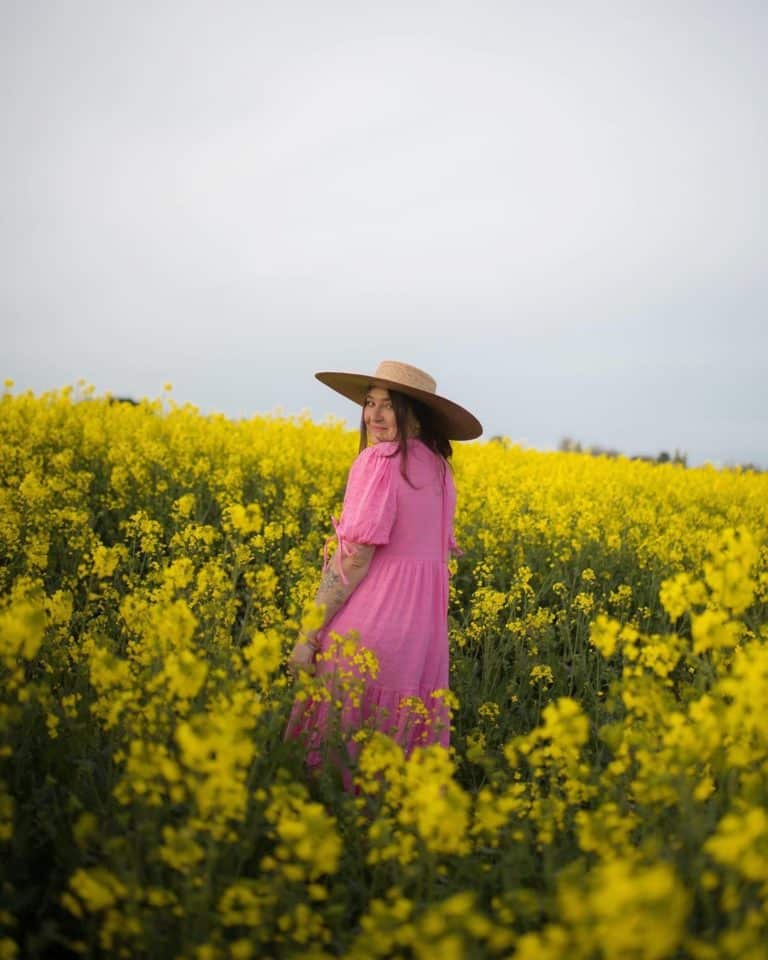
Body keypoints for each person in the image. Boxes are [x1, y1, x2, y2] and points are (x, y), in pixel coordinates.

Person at [285, 360, 482, 775]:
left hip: (369, 630)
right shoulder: (442, 471)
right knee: (397, 766)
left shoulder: (380, 461)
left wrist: (308, 635)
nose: (374, 415)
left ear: (415, 412)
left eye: (389, 405)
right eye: (369, 403)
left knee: (336, 761)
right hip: (422, 641)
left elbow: (354, 558)